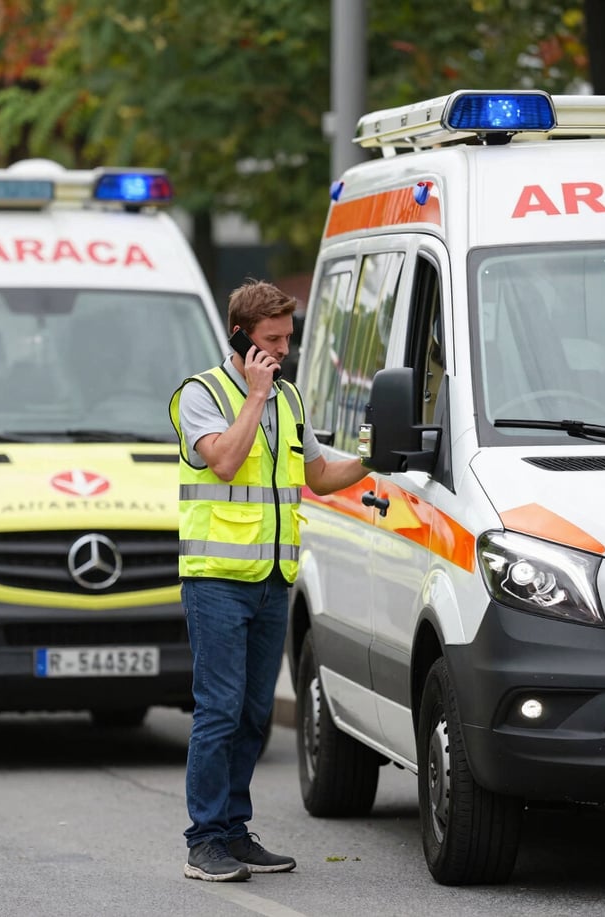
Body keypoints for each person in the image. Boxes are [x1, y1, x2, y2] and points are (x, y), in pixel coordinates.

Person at [169, 279, 368, 883]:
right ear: (240, 337)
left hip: (273, 577)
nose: (283, 350)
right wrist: (254, 396)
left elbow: (320, 475)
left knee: (255, 714)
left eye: (288, 338)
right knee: (219, 711)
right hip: (217, 579)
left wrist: (379, 457)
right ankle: (203, 841)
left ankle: (233, 830)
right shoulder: (200, 395)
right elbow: (225, 462)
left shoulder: (289, 399)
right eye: (272, 340)